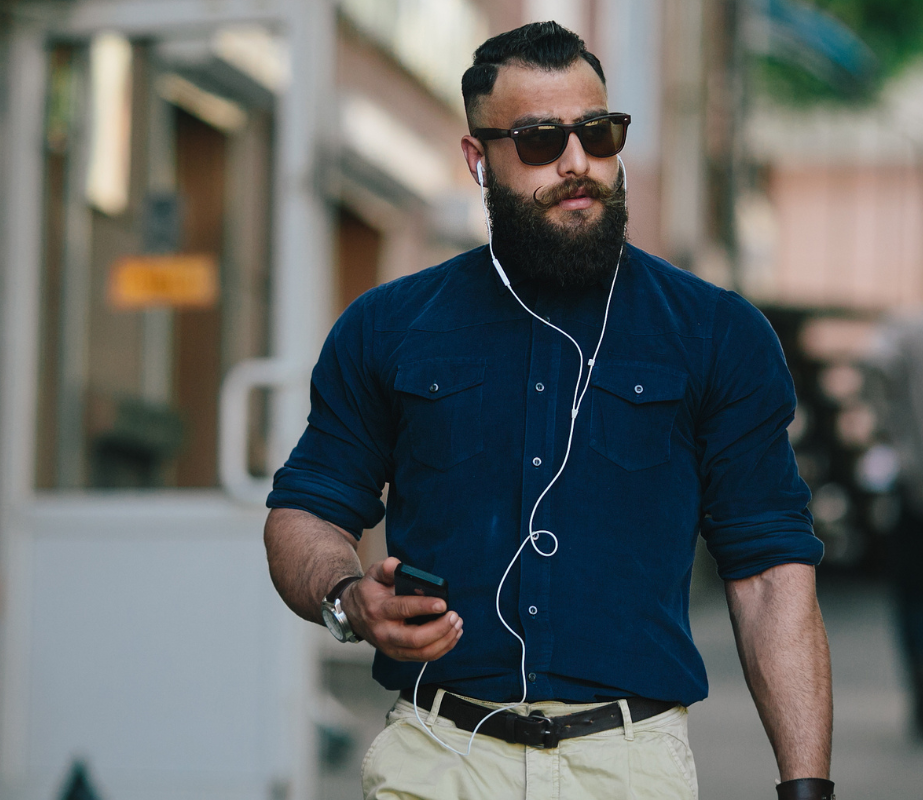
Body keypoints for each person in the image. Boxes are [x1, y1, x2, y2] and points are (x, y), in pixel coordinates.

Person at [265, 21, 834, 800]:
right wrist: (347, 597)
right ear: (478, 159)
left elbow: (770, 574)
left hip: (632, 765)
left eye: (598, 134)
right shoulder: (388, 326)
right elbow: (305, 513)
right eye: (539, 141)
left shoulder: (717, 332)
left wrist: (807, 786)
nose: (577, 163)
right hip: (441, 756)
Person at [863, 314, 923, 737]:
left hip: (914, 486)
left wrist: (888, 430)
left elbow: (871, 359)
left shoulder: (906, 330)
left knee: (913, 601)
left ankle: (921, 699)